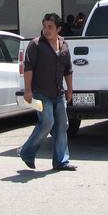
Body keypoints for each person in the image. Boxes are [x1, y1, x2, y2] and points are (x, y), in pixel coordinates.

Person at [19, 13, 76, 171]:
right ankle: (27, 152)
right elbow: (28, 68)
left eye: (50, 27)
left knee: (62, 125)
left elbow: (68, 69)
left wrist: (70, 89)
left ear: (59, 29)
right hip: (39, 93)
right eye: (44, 26)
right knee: (47, 122)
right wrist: (28, 90)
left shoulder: (64, 45)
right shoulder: (36, 45)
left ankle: (61, 161)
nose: (46, 30)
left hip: (59, 94)